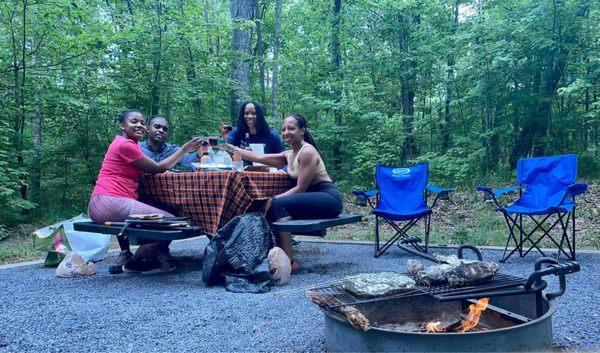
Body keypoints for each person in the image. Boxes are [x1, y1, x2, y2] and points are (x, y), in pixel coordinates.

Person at [87, 109, 203, 275]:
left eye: (142, 122)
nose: (139, 125)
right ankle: (136, 262)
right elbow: (158, 168)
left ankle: (148, 257)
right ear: (122, 126)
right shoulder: (126, 145)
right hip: (109, 202)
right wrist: (185, 149)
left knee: (162, 214)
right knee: (172, 221)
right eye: (134, 122)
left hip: (103, 202)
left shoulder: (126, 144)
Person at [224, 113, 343, 273]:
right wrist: (232, 149)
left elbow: (300, 188)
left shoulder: (307, 151)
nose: (286, 132)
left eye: (291, 128)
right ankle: (272, 255)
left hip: (329, 198)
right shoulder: (290, 154)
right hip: (310, 197)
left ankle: (289, 262)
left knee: (279, 204)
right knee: (270, 205)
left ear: (302, 131)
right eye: (284, 129)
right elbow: (260, 157)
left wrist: (273, 199)